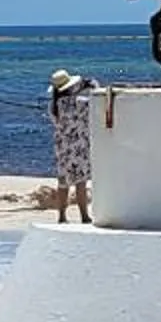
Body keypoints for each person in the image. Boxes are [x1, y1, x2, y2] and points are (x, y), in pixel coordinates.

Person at [47, 71, 95, 222]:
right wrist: (91, 85)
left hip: (62, 147)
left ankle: (61, 216)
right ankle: (84, 216)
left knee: (63, 183)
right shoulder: (80, 102)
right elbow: (94, 102)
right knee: (80, 183)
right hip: (78, 146)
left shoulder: (54, 105)